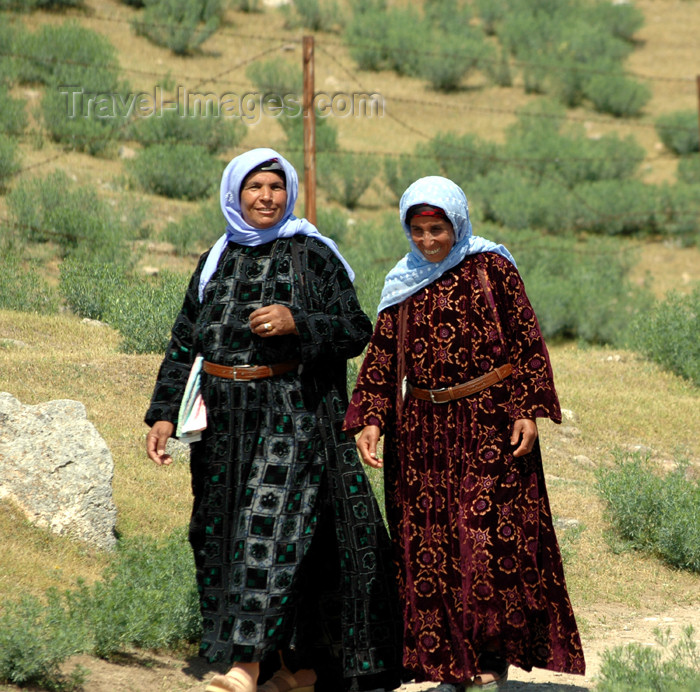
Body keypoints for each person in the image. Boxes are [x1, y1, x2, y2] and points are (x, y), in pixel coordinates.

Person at [145, 148, 403, 692]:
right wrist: (164, 415)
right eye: (255, 188)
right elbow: (184, 340)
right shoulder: (216, 257)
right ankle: (300, 667)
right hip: (221, 425)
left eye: (276, 186)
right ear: (234, 195)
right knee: (220, 536)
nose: (267, 197)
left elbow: (356, 329)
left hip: (291, 414)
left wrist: (297, 320)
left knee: (268, 530)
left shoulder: (313, 254)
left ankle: (245, 666)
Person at [343, 176, 585, 691]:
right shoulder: (403, 281)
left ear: (457, 222)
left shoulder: (491, 267)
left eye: (438, 229)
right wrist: (372, 418)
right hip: (422, 432)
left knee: (484, 539)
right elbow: (384, 356)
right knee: (432, 545)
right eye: (418, 231)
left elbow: (525, 338)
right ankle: (449, 666)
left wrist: (527, 408)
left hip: (490, 421)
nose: (428, 241)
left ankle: (488, 660)